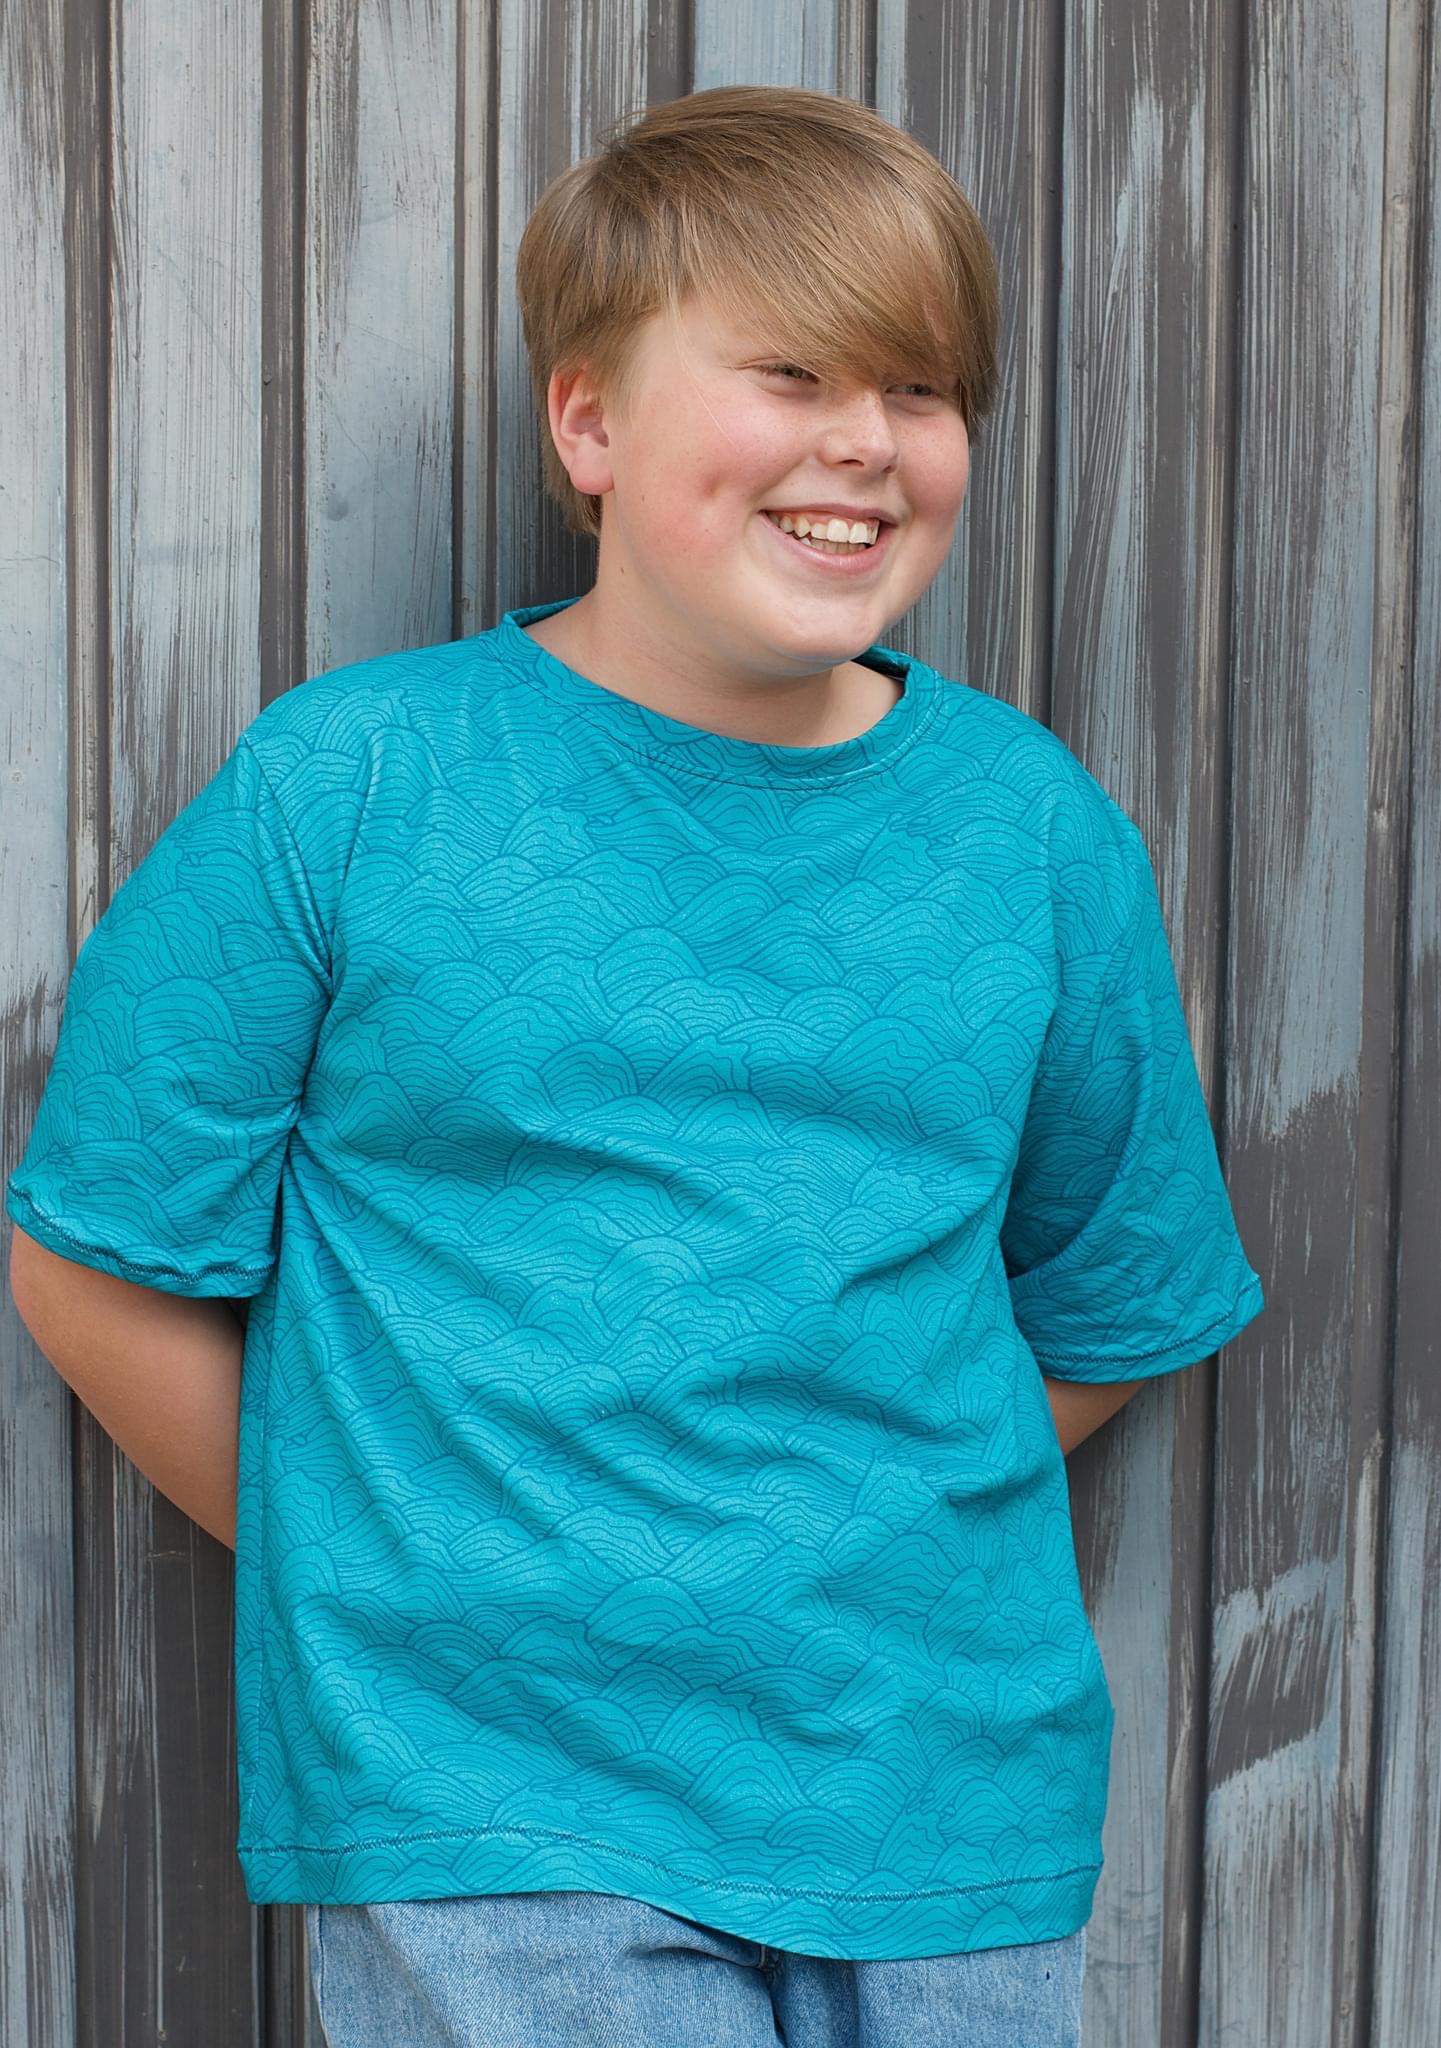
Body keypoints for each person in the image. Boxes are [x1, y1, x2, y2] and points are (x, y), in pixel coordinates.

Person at [7, 82, 1264, 2048]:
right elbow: (96, 1261)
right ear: (586, 424)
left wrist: (830, 1552)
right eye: (791, 374)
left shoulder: (1032, 834)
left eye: (921, 388)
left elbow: (1115, 1296)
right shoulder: (352, 786)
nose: (866, 440)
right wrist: (407, 1557)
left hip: (940, 1795)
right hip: (493, 1791)